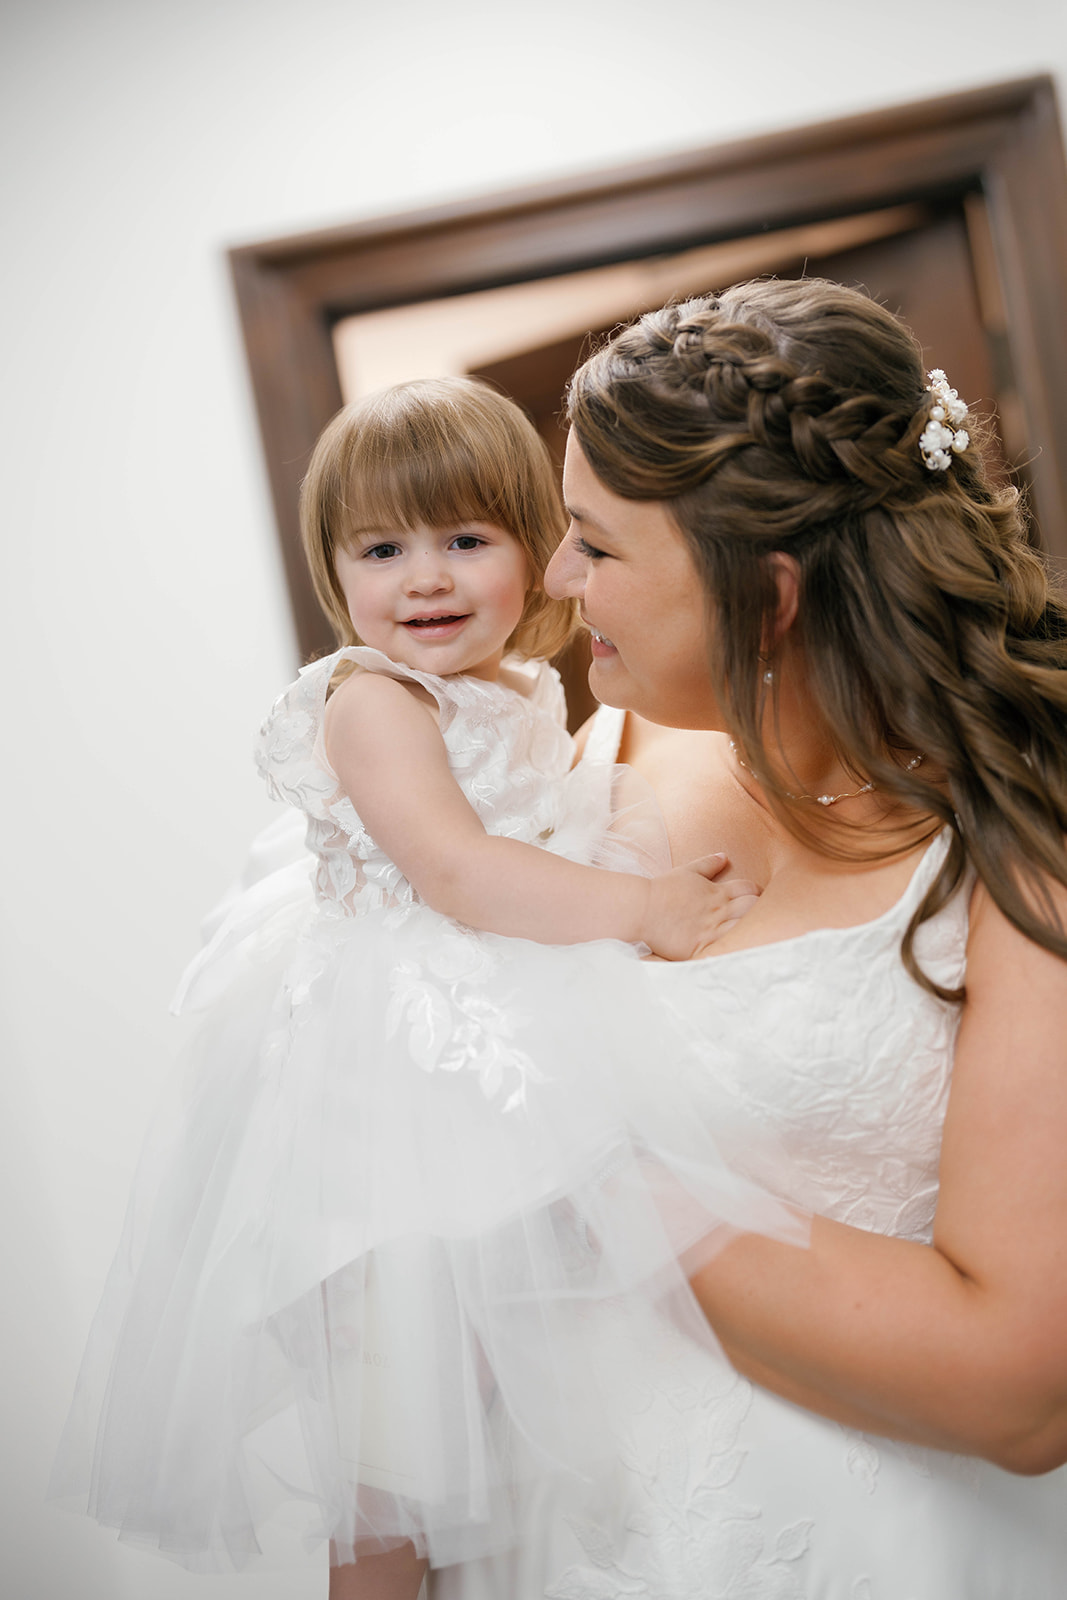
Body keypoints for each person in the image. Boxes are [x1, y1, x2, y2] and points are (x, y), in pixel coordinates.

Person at [50, 377, 799, 1599]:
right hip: (390, 1100)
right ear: (335, 573)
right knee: (391, 1459)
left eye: (465, 538)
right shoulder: (369, 702)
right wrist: (642, 906)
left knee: (496, 1405)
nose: (426, 578)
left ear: (535, 549)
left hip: (484, 1049)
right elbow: (456, 870)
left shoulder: (511, 692)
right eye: (382, 548)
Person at [432, 278, 1067, 1600]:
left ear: (766, 595)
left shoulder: (1020, 846)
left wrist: (597, 1177)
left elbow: (1021, 1389)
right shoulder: (574, 782)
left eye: (597, 548)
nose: (553, 581)